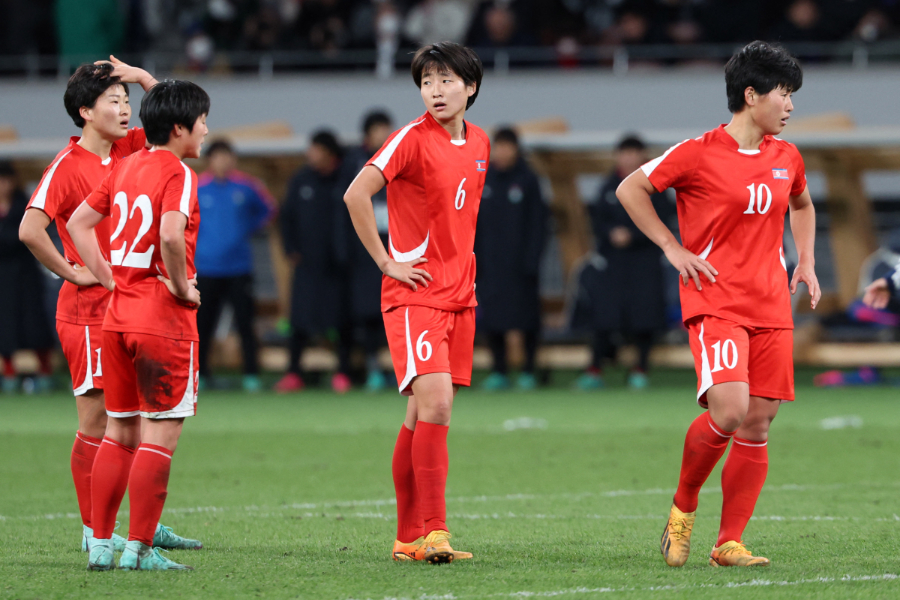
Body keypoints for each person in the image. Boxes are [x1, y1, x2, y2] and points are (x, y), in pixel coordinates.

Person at [616, 41, 821, 568]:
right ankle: (682, 509)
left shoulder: (787, 156)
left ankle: (729, 542)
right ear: (751, 95)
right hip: (716, 300)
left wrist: (807, 262)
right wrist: (672, 247)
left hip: (772, 302)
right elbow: (631, 189)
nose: (790, 105)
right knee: (729, 411)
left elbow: (802, 202)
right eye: (783, 93)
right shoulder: (697, 152)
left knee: (758, 422)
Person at [18, 58, 198, 554]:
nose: (125, 110)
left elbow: (173, 115)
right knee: (98, 424)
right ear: (84, 112)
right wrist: (75, 271)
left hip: (130, 308)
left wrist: (141, 77)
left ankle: (138, 522)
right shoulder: (66, 165)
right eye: (113, 101)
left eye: (125, 101)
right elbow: (30, 230)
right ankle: (92, 528)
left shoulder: (130, 149)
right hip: (88, 311)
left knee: (137, 421)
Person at [344, 41, 487, 563]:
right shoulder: (408, 139)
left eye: (446, 80)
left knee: (417, 415)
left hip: (459, 296)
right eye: (427, 81)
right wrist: (387, 263)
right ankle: (435, 532)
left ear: (470, 86)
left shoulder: (481, 143)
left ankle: (407, 538)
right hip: (415, 296)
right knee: (438, 406)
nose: (435, 91)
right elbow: (356, 195)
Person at [67, 78, 209, 571]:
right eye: (202, 121)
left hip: (117, 316)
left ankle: (101, 545)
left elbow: (78, 224)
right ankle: (140, 550)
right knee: (158, 438)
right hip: (161, 322)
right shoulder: (178, 172)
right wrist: (180, 286)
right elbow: (171, 235)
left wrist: (109, 279)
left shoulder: (124, 166)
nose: (207, 131)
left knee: (119, 432)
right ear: (179, 128)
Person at [575, 135, 676, 391]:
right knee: (605, 316)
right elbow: (597, 222)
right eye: (625, 153)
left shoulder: (657, 186)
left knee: (645, 318)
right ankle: (595, 369)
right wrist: (611, 233)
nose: (629, 158)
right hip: (613, 264)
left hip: (645, 262)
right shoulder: (608, 186)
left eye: (634, 153)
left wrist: (633, 235)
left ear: (642, 156)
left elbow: (664, 221)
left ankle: (640, 369)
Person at [275, 130, 352, 394]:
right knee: (299, 320)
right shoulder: (301, 180)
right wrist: (290, 249)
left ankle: (343, 372)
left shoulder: (347, 179)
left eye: (315, 149)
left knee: (342, 320)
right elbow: (286, 218)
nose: (310, 154)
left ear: (329, 153)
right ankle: (293, 373)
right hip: (307, 264)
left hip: (338, 265)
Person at [195, 139, 275, 392]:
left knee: (245, 323)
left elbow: (269, 210)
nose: (223, 161)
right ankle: (201, 376)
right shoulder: (197, 186)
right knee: (201, 325)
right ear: (210, 160)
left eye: (227, 156)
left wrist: (248, 228)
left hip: (239, 268)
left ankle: (251, 375)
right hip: (206, 268)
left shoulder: (246, 185)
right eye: (218, 157)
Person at [475, 126, 547, 391]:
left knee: (527, 318)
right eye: (499, 147)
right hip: (489, 265)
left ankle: (528, 370)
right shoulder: (484, 180)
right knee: (492, 319)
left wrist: (532, 260)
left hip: (521, 266)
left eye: (508, 147)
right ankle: (499, 370)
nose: (503, 153)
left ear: (517, 149)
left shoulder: (529, 180)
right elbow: (472, 224)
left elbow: (539, 224)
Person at [337, 111, 394, 392]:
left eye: (387, 128)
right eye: (378, 129)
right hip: (364, 253)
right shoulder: (354, 164)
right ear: (367, 135)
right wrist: (344, 250)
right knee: (368, 312)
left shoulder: (400, 159)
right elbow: (343, 208)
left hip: (397, 250)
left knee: (397, 311)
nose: (383, 134)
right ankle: (372, 366)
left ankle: (401, 369)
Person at [0, 161, 55, 392]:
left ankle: (45, 373)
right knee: (5, 325)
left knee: (34, 323)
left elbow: (32, 234)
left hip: (25, 276)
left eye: (5, 179)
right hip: (2, 278)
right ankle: (9, 375)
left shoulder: (26, 204)